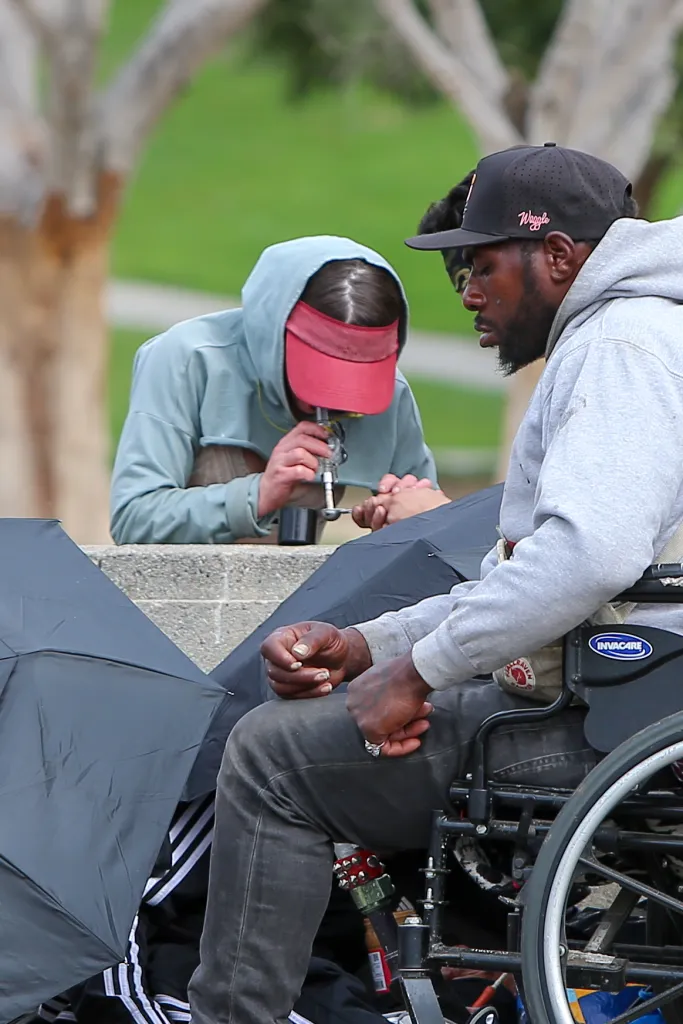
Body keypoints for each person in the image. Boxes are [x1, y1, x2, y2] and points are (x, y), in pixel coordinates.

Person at [187, 142, 683, 1024]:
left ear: (559, 256)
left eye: (481, 263)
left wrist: (416, 673)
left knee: (271, 756)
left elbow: (588, 558)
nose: (465, 293)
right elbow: (530, 574)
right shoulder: (637, 333)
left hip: (613, 721)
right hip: (630, 697)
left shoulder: (621, 346)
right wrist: (366, 647)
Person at [110, 236, 438, 544]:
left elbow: (439, 534)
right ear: (274, 339)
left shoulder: (392, 390)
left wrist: (411, 517)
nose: (331, 400)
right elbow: (133, 518)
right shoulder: (186, 358)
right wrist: (258, 495)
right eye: (320, 376)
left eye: (355, 385)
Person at [352, 173, 475, 532]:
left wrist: (444, 520)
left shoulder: (609, 353)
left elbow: (581, 548)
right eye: (462, 286)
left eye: (485, 272)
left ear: (556, 252)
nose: (470, 301)